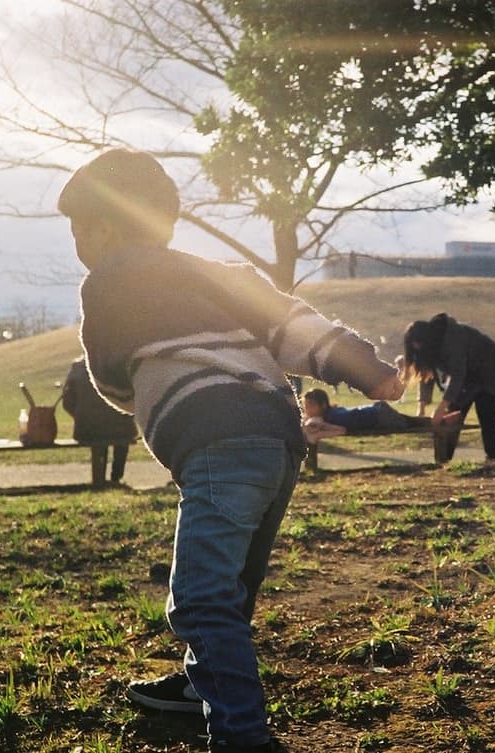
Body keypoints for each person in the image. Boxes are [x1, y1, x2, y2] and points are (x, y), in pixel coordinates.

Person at [58, 148, 402, 753]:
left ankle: (242, 734)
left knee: (199, 597)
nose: (77, 242)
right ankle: (201, 685)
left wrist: (143, 392)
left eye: (77, 228)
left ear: (105, 227)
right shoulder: (223, 275)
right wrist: (370, 372)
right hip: (278, 439)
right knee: (232, 586)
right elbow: (295, 326)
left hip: (216, 441)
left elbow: (108, 378)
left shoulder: (106, 282)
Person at [402, 313, 495, 462]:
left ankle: (492, 459)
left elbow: (458, 375)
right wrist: (422, 406)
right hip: (467, 375)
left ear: (427, 340)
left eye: (419, 346)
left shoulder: (453, 339)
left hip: (489, 369)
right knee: (452, 417)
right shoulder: (427, 346)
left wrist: (442, 406)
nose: (418, 350)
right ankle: (443, 461)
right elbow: (426, 376)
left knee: (486, 413)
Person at [61, 356, 138, 484]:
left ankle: (100, 479)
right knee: (122, 433)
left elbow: (67, 402)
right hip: (120, 429)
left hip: (87, 429)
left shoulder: (77, 367)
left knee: (101, 434)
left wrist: (81, 417)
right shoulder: (120, 366)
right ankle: (116, 477)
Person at [300, 387, 437, 442]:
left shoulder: (331, 417)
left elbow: (342, 430)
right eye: (305, 407)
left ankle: (441, 420)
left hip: (380, 417)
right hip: (378, 411)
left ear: (323, 405)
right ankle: (441, 419)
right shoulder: (330, 413)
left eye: (310, 406)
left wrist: (322, 427)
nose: (307, 410)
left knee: (413, 424)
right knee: (416, 422)